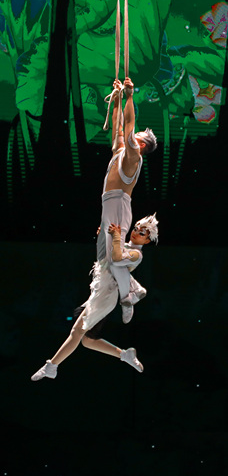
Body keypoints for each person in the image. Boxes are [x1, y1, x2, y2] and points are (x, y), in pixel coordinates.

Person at [30, 214, 158, 381]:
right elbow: (106, 255)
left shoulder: (136, 254)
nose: (135, 233)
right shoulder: (125, 245)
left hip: (106, 295)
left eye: (141, 233)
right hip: (99, 292)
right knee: (88, 340)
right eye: (135, 229)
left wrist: (115, 237)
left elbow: (116, 258)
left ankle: (51, 366)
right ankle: (125, 354)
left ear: (147, 240)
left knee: (76, 331)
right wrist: (104, 237)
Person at [97, 77, 157, 323]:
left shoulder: (134, 157)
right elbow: (118, 126)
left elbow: (129, 125)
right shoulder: (121, 151)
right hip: (109, 204)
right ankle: (133, 288)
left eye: (138, 136)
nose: (133, 135)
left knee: (114, 258)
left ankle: (128, 297)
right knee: (104, 259)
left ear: (141, 145)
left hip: (118, 205)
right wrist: (118, 99)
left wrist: (131, 96)